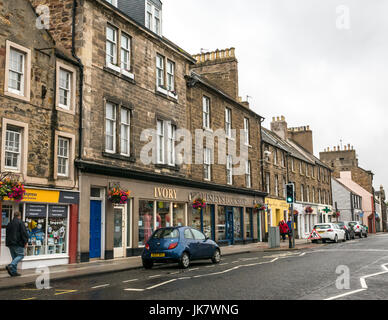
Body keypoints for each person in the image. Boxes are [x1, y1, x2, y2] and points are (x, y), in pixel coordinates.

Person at [5, 212, 28, 277]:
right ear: (19, 216)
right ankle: (11, 265)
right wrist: (25, 242)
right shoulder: (20, 222)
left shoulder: (9, 223)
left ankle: (13, 272)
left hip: (10, 243)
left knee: (14, 257)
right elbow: (24, 233)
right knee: (21, 255)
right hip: (18, 242)